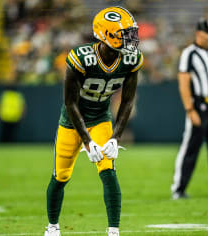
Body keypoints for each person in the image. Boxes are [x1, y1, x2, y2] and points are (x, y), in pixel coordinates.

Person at [44, 6, 143, 236]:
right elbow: (70, 103)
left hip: (100, 117)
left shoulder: (130, 59)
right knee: (61, 175)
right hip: (72, 120)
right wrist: (88, 143)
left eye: (131, 33)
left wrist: (115, 138)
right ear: (107, 35)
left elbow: (128, 101)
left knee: (108, 170)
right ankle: (52, 227)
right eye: (124, 34)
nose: (131, 39)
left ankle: (113, 231)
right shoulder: (81, 58)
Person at [171, 18, 208, 199]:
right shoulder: (189, 53)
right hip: (198, 105)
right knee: (191, 147)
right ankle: (179, 188)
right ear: (198, 33)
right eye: (207, 32)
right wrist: (190, 109)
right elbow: (183, 81)